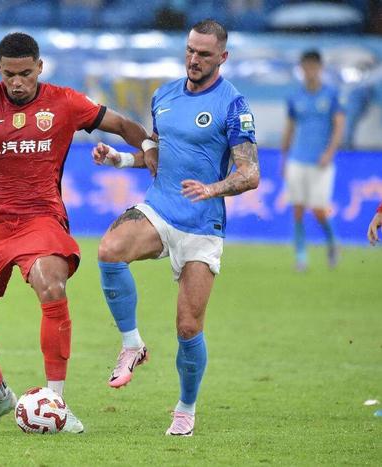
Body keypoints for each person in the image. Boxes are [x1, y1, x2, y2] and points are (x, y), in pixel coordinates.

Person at [0, 32, 149, 433]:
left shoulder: (65, 102)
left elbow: (120, 124)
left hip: (40, 218)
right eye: (9, 74)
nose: (17, 82)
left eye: (26, 74)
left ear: (40, 68)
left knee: (52, 286)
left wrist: (150, 149)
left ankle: (56, 403)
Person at [92, 19, 259, 436]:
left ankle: (185, 407)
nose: (193, 59)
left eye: (204, 54)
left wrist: (212, 188)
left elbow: (250, 173)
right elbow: (157, 158)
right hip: (160, 208)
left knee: (188, 328)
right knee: (110, 250)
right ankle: (132, 344)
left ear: (223, 57)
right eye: (190, 50)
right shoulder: (164, 96)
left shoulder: (234, 105)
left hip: (203, 224)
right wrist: (120, 159)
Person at [281, 49, 345, 272]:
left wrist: (330, 152)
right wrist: (284, 158)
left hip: (321, 161)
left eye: (313, 66)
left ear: (320, 68)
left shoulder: (331, 95)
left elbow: (339, 126)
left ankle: (333, 242)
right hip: (297, 159)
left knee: (318, 209)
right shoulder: (295, 97)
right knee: (297, 209)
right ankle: (301, 257)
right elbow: (289, 129)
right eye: (305, 67)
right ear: (301, 69)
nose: (309, 71)